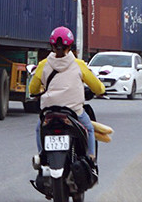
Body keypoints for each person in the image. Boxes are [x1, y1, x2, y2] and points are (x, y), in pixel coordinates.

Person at [28, 26, 105, 163]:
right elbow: (98, 88)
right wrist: (100, 91)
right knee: (90, 129)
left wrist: (37, 92)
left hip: (49, 112)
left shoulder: (43, 65)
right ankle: (91, 159)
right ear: (70, 46)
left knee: (39, 129)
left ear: (52, 45)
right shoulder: (79, 65)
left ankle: (41, 158)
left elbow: (33, 89)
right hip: (74, 112)